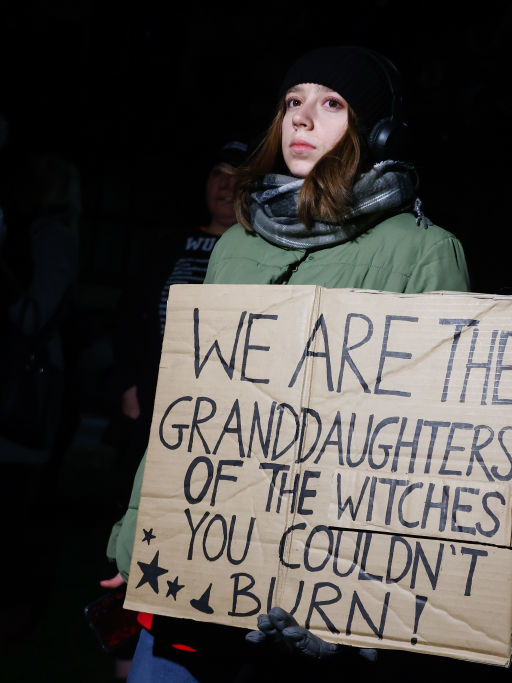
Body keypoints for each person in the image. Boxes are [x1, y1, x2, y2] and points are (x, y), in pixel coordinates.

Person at [102, 45, 470, 681]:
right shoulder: (237, 244)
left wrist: (371, 600)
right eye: (291, 102)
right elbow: (188, 414)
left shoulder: (423, 250)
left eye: (331, 103)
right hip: (202, 560)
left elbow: (433, 447)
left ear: (374, 131)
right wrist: (135, 533)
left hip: (323, 586)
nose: (302, 119)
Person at [110, 139, 249, 494]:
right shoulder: (169, 245)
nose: (226, 186)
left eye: (238, 177)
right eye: (219, 175)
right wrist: (129, 382)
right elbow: (131, 314)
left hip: (225, 402)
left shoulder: (261, 251)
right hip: (157, 391)